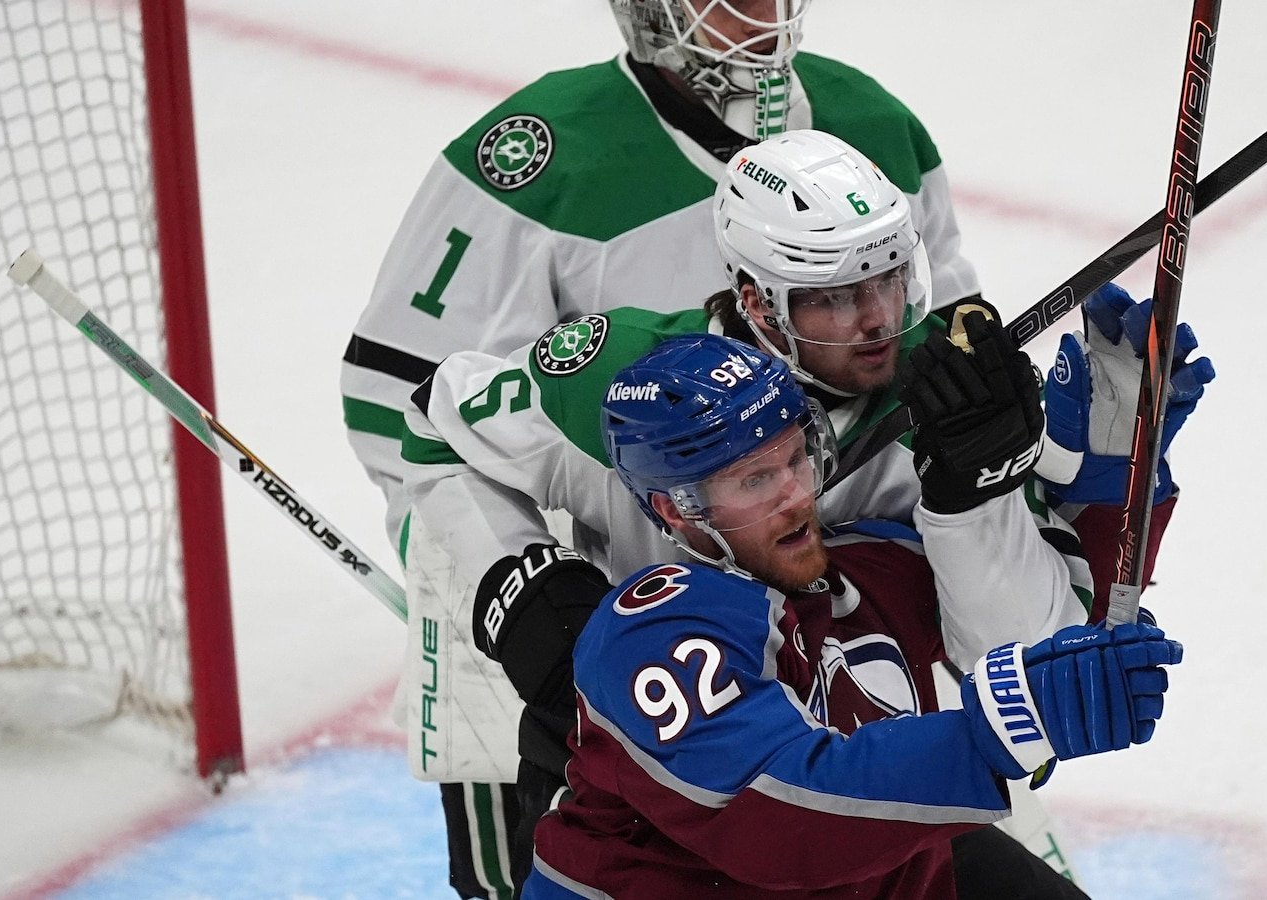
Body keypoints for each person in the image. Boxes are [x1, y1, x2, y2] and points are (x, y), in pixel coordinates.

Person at [405, 130, 1213, 893]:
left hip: (858, 775)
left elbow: (1020, 657)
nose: (877, 320)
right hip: (645, 757)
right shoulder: (619, 383)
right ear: (758, 301)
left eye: (889, 278)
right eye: (836, 297)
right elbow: (432, 430)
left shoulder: (945, 399)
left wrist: (1013, 484)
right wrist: (518, 584)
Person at [342, 7, 986, 890]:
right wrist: (521, 585)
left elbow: (934, 355)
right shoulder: (537, 157)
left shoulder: (872, 129)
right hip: (597, 637)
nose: (764, 9)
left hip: (838, 660)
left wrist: (976, 481)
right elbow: (403, 407)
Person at [518, 333, 1184, 898]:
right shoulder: (654, 630)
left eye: (794, 459)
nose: (794, 497)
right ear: (674, 509)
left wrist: (1111, 482)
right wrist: (996, 732)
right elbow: (778, 814)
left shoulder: (866, 568)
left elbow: (1044, 626)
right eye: (754, 480)